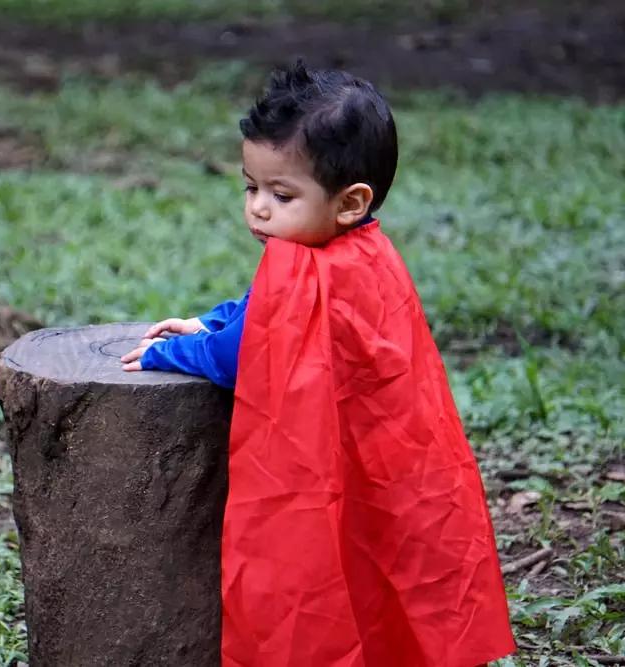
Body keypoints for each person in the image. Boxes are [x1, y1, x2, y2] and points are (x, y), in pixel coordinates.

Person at [121, 62, 516, 666]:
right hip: (391, 462)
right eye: (250, 186)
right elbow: (260, 314)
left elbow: (239, 357)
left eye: (281, 195)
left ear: (352, 202)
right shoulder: (366, 253)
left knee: (320, 581)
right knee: (380, 570)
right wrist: (213, 319)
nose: (258, 209)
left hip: (339, 465)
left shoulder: (309, 266)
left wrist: (169, 352)